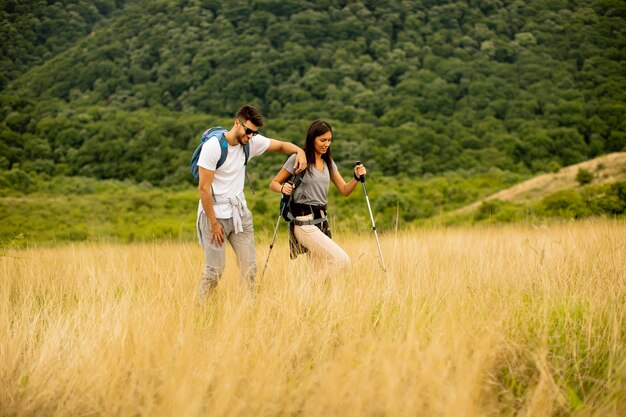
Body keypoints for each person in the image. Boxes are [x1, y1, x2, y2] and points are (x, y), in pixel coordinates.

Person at [196, 104, 306, 299]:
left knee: (250, 269)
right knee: (215, 271)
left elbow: (280, 146)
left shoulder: (250, 142)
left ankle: (249, 312)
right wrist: (213, 224)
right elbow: (203, 189)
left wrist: (300, 152)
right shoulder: (212, 147)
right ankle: (200, 309)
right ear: (236, 123)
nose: (250, 137)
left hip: (240, 214)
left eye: (254, 133)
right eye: (248, 132)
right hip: (214, 216)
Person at [269, 119, 367, 273]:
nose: (326, 144)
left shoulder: (329, 162)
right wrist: (283, 188)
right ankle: (308, 290)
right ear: (312, 139)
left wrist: (355, 177)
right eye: (322, 140)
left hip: (321, 223)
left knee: (316, 271)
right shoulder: (298, 159)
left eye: (329, 140)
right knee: (343, 262)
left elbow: (345, 190)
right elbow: (273, 183)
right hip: (304, 223)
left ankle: (306, 294)